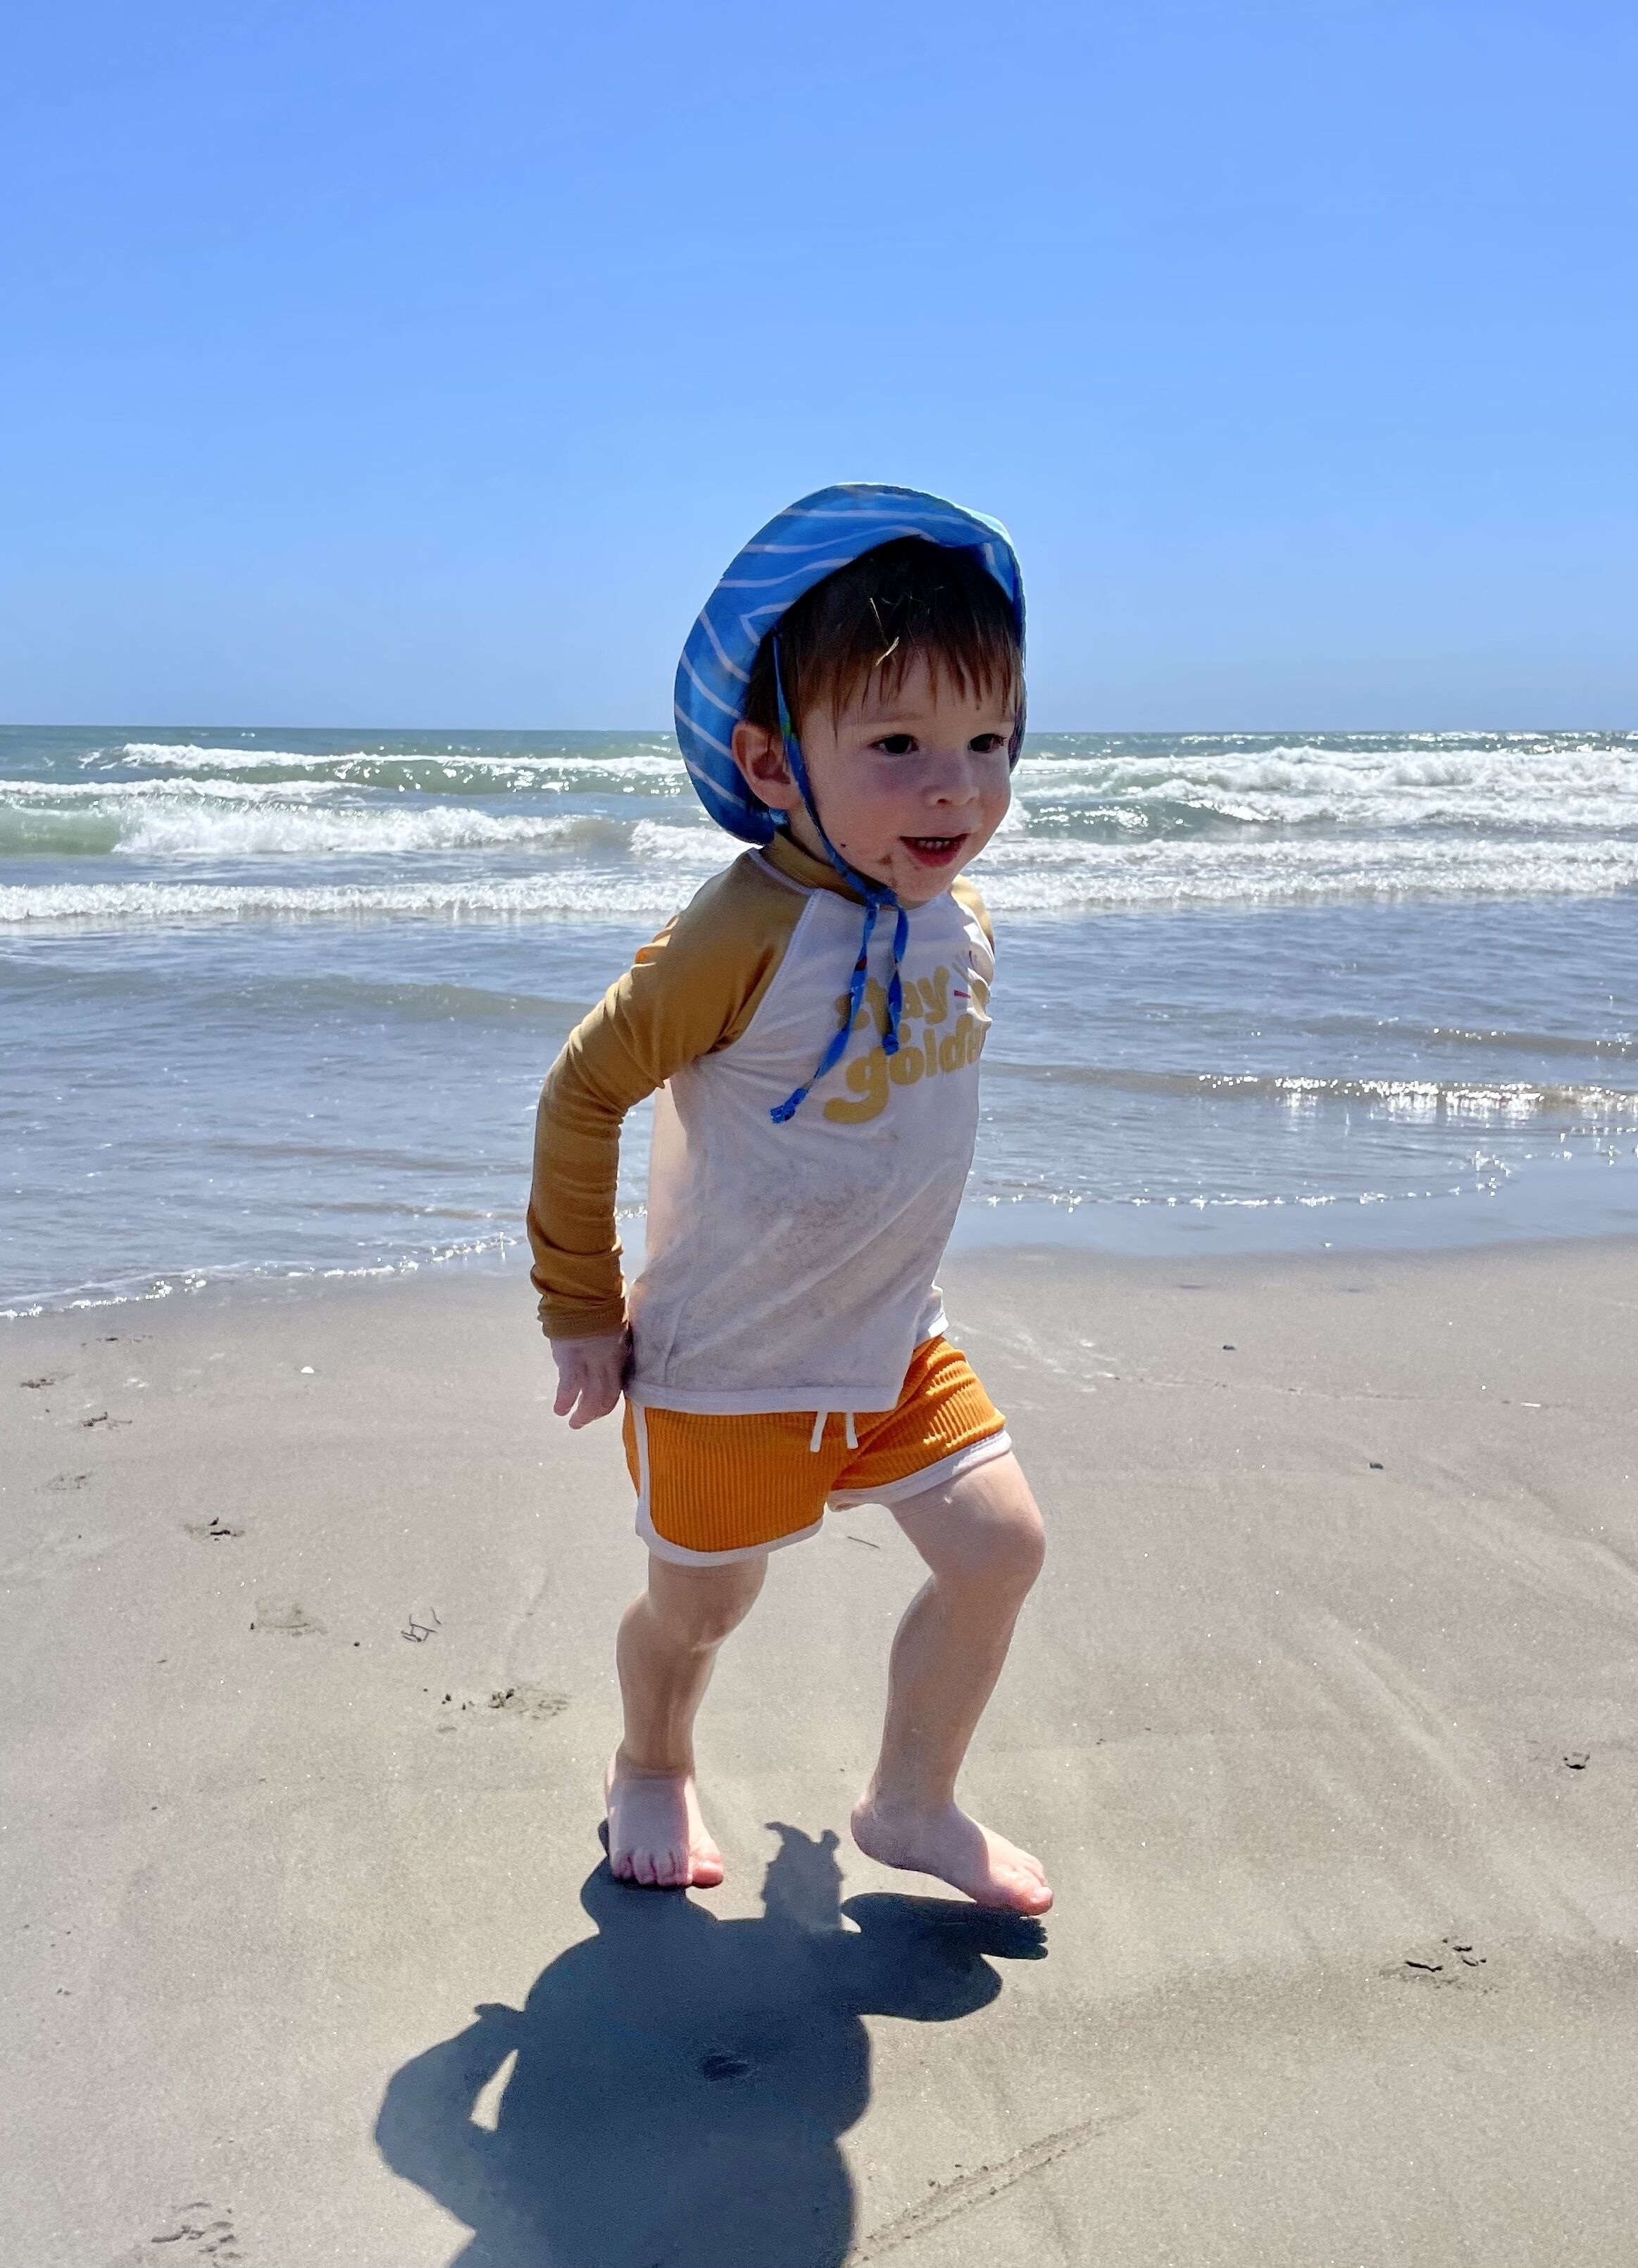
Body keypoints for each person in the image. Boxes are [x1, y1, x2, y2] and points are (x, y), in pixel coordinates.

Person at [527, 484, 1051, 1914]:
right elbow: (583, 1091)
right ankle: (651, 1755)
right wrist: (580, 1306)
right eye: (896, 745)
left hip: (892, 1341)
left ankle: (911, 1797)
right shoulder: (741, 929)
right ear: (771, 759)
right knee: (706, 1601)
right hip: (730, 1363)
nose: (955, 786)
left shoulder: (964, 916)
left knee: (1002, 1546)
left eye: (987, 742)